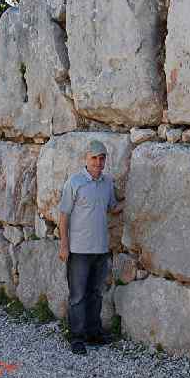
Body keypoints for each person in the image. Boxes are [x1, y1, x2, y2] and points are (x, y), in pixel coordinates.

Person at [58, 140, 124, 354]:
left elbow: (113, 207)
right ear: (86, 158)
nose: (98, 162)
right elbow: (63, 216)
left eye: (102, 158)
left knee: (96, 293)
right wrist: (64, 246)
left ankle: (93, 333)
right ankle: (76, 337)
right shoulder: (74, 182)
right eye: (94, 157)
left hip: (101, 249)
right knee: (77, 295)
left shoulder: (107, 183)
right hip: (78, 250)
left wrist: (140, 200)